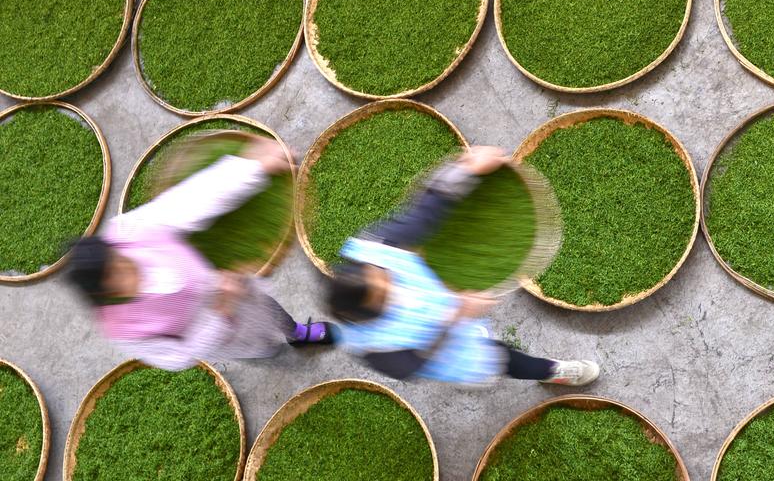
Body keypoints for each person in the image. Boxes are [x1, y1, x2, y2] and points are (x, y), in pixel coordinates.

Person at [326, 146, 600, 387]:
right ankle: (550, 372)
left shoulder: (372, 251)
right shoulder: (376, 347)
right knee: (501, 358)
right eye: (384, 292)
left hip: (440, 295)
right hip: (449, 347)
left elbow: (421, 217)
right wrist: (456, 315)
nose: (390, 279)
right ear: (372, 311)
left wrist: (465, 170)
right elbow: (417, 364)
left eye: (382, 274)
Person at [66, 136, 337, 371]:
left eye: (120, 260)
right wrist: (221, 311)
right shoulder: (123, 330)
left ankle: (297, 333)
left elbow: (190, 201)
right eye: (116, 275)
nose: (128, 267)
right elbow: (177, 357)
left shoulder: (128, 233)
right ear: (104, 293)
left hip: (227, 279)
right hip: (220, 333)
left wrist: (254, 168)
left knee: (269, 309)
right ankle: (270, 351)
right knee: (258, 347)